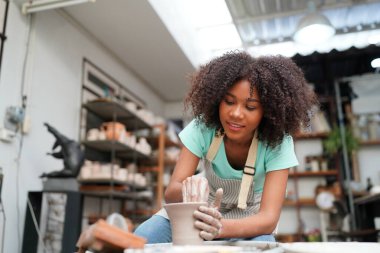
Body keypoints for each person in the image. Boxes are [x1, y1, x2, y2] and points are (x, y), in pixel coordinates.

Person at [134, 51, 319, 243]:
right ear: (217, 100)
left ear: (268, 111)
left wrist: (219, 228)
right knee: (145, 236)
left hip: (249, 219)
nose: (236, 113)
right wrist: (191, 191)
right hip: (199, 211)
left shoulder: (278, 143)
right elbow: (171, 192)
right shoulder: (202, 127)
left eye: (250, 107)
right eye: (229, 102)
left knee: (264, 247)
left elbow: (268, 220)